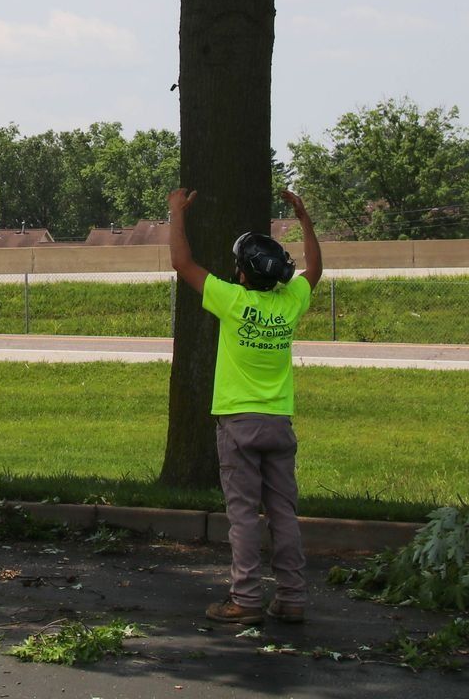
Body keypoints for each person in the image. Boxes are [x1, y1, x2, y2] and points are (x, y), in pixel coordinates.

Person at [167, 185, 322, 627]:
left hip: (237, 422)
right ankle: (292, 597)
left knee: (243, 516)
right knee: (283, 514)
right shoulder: (290, 302)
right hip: (278, 422)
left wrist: (177, 212)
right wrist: (304, 218)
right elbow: (316, 269)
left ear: (241, 274)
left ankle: (246, 599)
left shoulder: (233, 302)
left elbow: (182, 263)